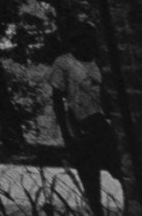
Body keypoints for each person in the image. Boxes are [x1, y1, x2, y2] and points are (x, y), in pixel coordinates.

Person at [52, 23, 122, 216]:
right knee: (91, 183)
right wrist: (67, 134)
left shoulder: (100, 62)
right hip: (82, 125)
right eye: (82, 40)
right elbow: (57, 98)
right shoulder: (64, 63)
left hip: (104, 125)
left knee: (120, 171)